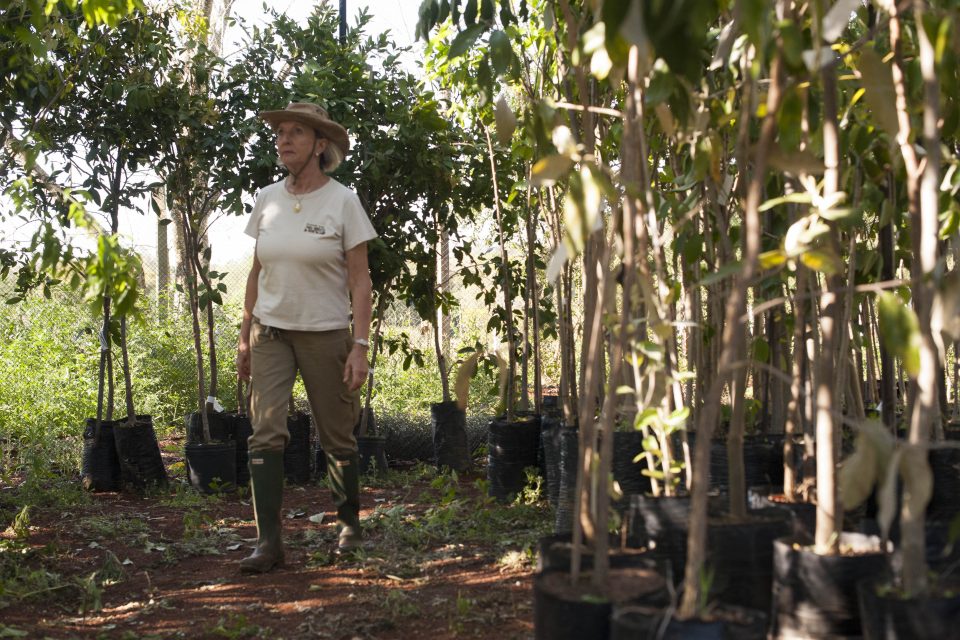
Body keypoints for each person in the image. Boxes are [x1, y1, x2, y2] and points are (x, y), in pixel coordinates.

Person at [236, 102, 376, 574]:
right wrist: (244, 334)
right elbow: (257, 270)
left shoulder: (342, 201)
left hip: (325, 334)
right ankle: (268, 543)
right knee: (265, 434)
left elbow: (360, 280)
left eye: (295, 132)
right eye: (279, 132)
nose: (283, 139)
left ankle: (348, 529)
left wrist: (360, 346)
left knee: (337, 436)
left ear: (320, 145)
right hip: (270, 331)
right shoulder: (267, 199)